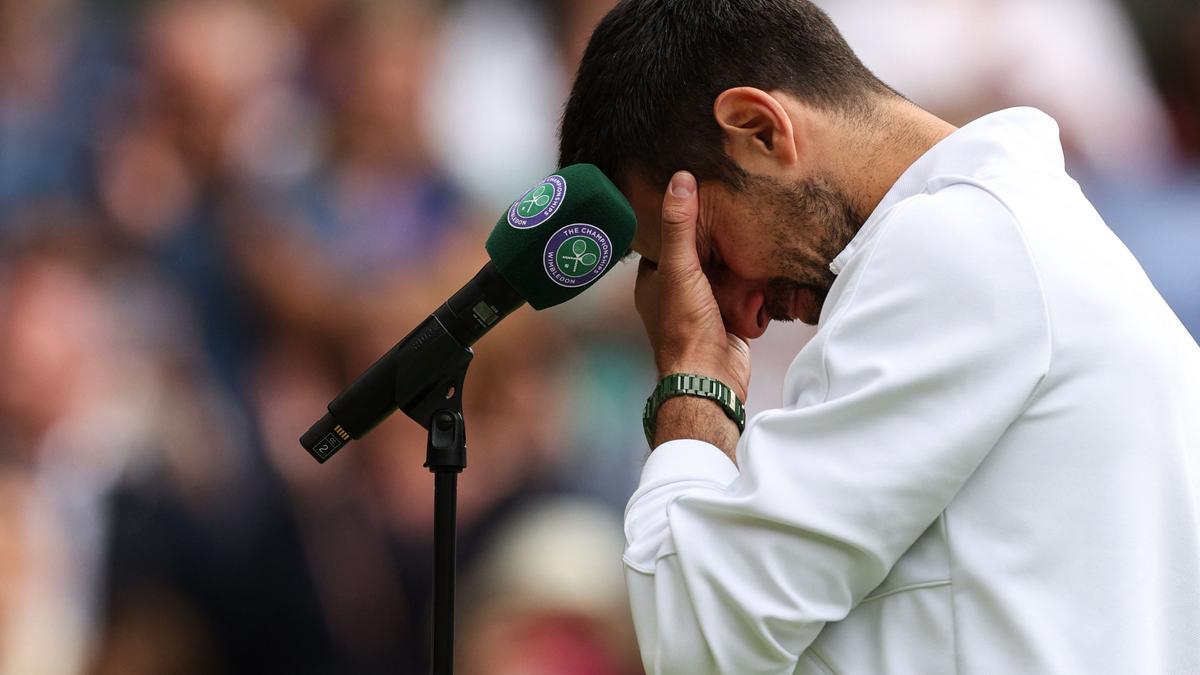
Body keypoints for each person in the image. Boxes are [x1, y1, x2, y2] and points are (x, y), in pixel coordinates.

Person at [557, 1, 1200, 673]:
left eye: (710, 253)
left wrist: (692, 380)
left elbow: (698, 638)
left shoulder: (956, 249)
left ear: (759, 128)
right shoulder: (1010, 232)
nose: (739, 318)